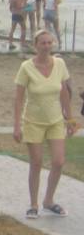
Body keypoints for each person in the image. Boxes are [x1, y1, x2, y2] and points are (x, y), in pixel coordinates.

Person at [14, 30, 73, 219]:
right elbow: (18, 98)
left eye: (49, 42)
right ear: (35, 45)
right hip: (33, 122)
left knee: (58, 161)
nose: (47, 46)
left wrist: (70, 119)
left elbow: (64, 92)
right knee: (37, 162)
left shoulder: (60, 64)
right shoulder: (26, 67)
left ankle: (49, 200)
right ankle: (33, 204)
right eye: (43, 43)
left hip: (55, 120)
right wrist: (16, 126)